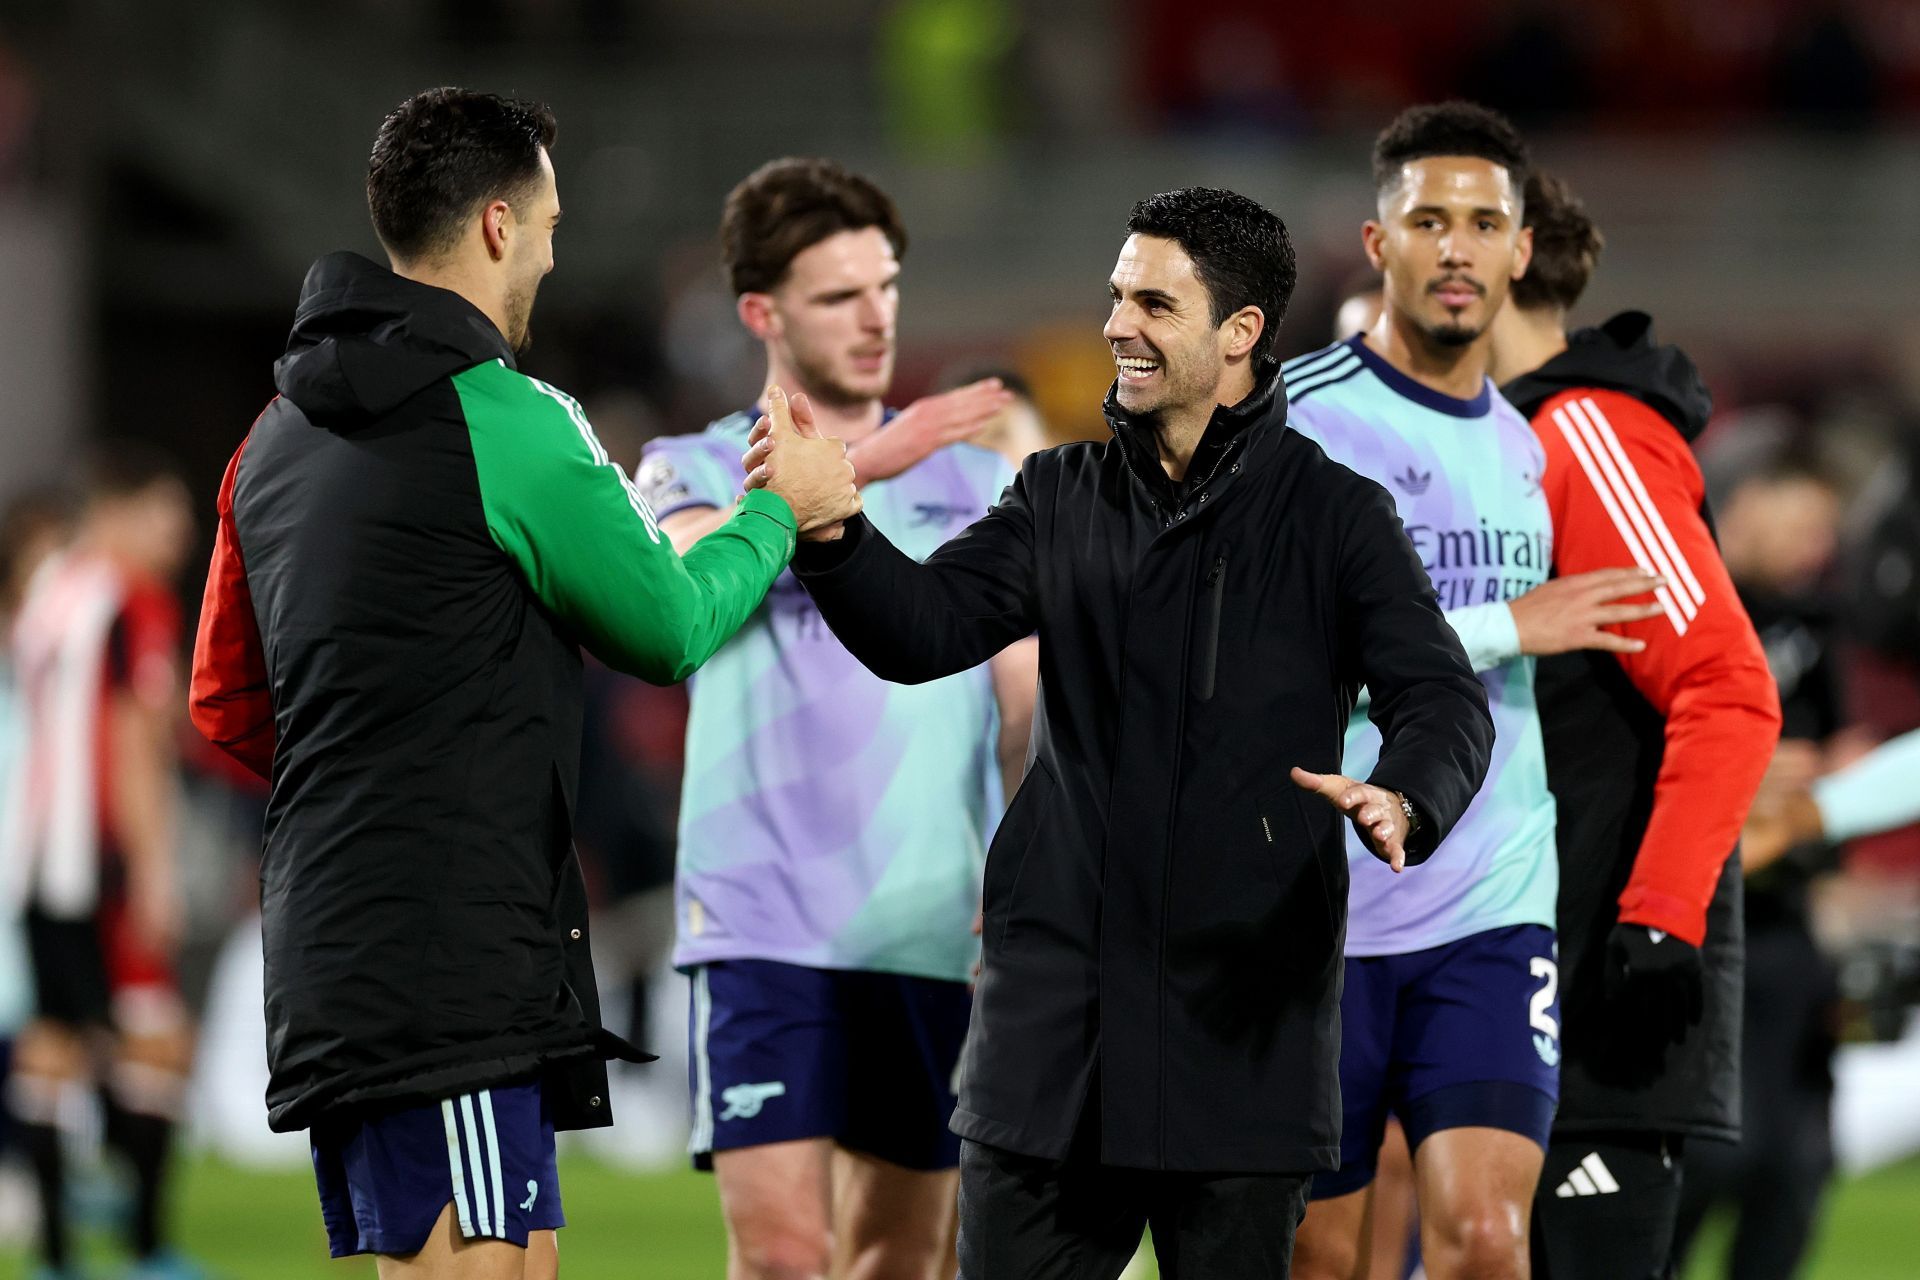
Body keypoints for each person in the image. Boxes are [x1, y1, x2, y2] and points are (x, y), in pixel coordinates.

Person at [759, 184, 1495, 1279]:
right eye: (1115, 295)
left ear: (1240, 332)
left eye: (1153, 302)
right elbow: (921, 629)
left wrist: (1406, 791)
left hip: (1243, 1037)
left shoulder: (1336, 517)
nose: (1117, 326)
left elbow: (1440, 699)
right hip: (1051, 1044)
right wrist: (832, 532)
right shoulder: (1059, 494)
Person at [187, 89, 858, 1279]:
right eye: (549, 220)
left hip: (339, 939)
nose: (555, 248)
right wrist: (777, 510)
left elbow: (227, 702)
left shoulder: (270, 437)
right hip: (454, 953)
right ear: (497, 225)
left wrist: (367, 790)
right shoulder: (511, 417)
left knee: (512, 1260)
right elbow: (666, 625)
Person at [631, 156, 1035, 1280]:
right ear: (761, 312)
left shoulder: (970, 483)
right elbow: (691, 587)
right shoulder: (693, 463)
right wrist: (869, 462)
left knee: (903, 1260)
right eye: (837, 295)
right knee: (782, 1257)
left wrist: (1027, 866)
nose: (876, 318)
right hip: (762, 920)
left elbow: (1022, 705)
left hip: (930, 921)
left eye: (887, 286)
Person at [1283, 103, 1663, 1280]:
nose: (1456, 246)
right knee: (1321, 1253)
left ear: (1519, 250)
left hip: (1492, 904)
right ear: (1378, 242)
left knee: (1489, 1242)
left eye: (1484, 223)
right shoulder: (1299, 416)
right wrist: (1512, 622)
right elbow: (1280, 649)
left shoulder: (1525, 445)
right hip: (1318, 908)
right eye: (1428, 220)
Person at [1490, 171, 1782, 1280]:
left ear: (1508, 261)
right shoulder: (1499, 443)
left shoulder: (1586, 431)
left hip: (1596, 977)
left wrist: (1657, 918)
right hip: (1506, 973)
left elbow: (1727, 683)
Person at [6, 451, 201, 1280]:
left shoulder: (53, 587)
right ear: (119, 512)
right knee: (159, 1042)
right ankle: (149, 1250)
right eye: (165, 512)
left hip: (36, 856)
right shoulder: (133, 599)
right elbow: (130, 746)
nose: (181, 533)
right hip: (104, 862)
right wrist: (157, 869)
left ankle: (54, 1253)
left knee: (52, 1048)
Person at [1667, 454, 1849, 1280]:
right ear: (1740, 508)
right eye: (1802, 519)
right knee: (1704, 1158)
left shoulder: (1810, 624)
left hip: (1784, 929)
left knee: (1796, 1168)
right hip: (1694, 923)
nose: (1822, 540)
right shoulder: (1680, 609)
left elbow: (1837, 747)